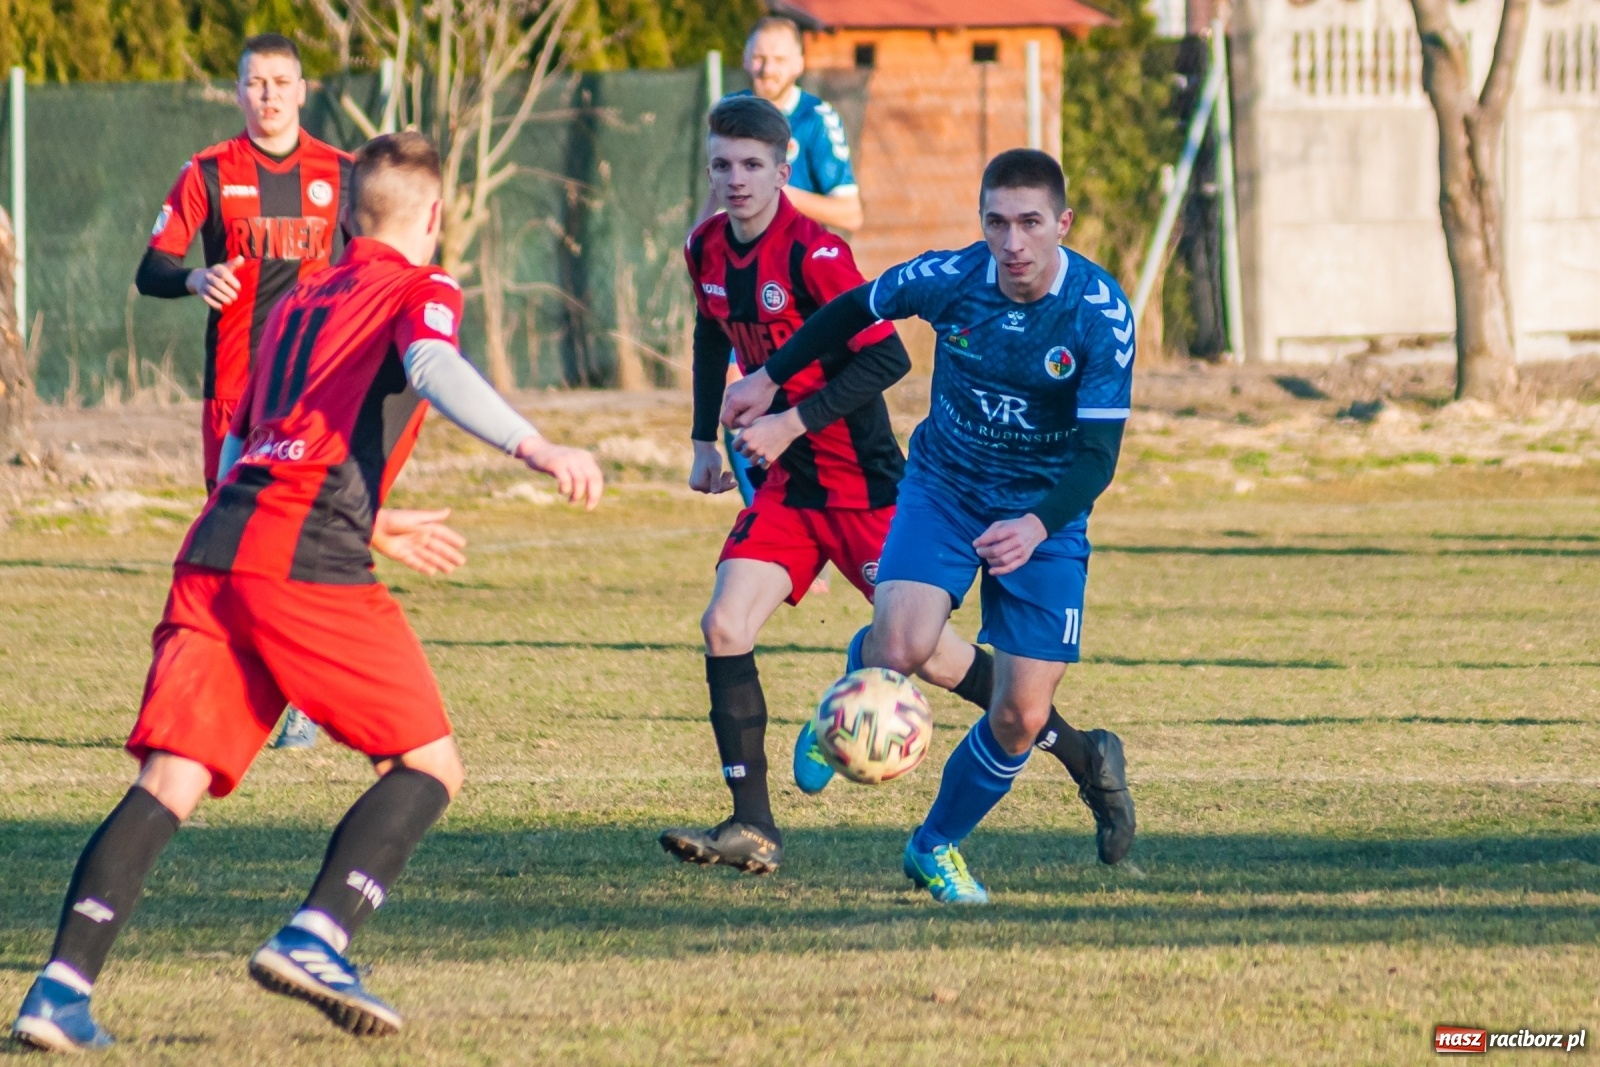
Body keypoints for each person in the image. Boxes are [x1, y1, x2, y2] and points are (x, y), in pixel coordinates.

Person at [10, 131, 604, 1052]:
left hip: (218, 543)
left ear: (348, 208)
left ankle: (58, 989)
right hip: (305, 557)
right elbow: (435, 368)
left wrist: (373, 519)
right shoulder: (423, 288)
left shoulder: (292, 304)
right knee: (429, 764)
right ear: (434, 216)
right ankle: (318, 934)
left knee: (168, 779)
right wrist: (540, 446)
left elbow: (254, 447)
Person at [659, 98, 1066, 877]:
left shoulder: (816, 255)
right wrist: (704, 437)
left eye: (752, 165)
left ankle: (1082, 754)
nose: (735, 180)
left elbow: (887, 360)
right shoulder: (703, 246)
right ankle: (752, 826)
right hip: (786, 492)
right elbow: (711, 332)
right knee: (724, 622)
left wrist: (789, 420)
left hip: (868, 490)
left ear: (785, 171)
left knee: (936, 658)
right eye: (721, 165)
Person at [723, 149, 1138, 904]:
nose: (1012, 242)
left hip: (1045, 511)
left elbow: (1098, 455)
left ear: (1062, 225)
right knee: (902, 645)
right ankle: (851, 695)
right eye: (997, 223)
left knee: (1021, 712)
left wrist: (1038, 525)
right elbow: (852, 309)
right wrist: (769, 376)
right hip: (944, 488)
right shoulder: (950, 278)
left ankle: (934, 845)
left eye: (1030, 223)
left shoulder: (1098, 315)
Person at [136, 32, 352, 750]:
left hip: (313, 393)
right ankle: (249, 688)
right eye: (256, 84)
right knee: (232, 547)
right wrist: (195, 277)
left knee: (301, 541)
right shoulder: (206, 171)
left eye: (281, 83)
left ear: (301, 89)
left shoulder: (342, 174)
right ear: (238, 92)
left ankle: (303, 697)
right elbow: (151, 268)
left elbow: (385, 262)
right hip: (232, 390)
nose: (269, 96)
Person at [716, 15, 865, 533]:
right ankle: (770, 520)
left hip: (805, 293)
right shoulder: (732, 117)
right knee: (733, 396)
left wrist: (777, 195)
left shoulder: (815, 119)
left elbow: (851, 213)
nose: (765, 67)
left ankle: (838, 517)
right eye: (758, 56)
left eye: (778, 58)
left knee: (814, 406)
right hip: (747, 286)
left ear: (800, 64)